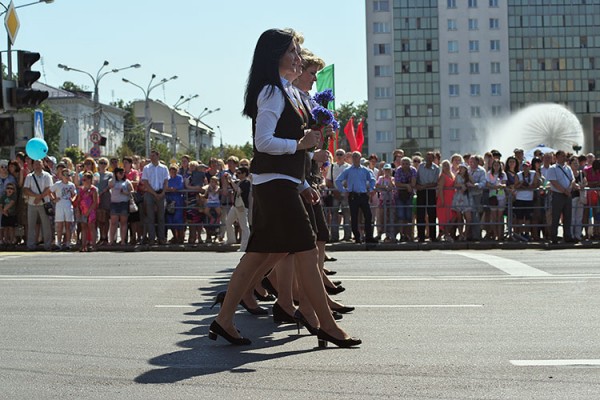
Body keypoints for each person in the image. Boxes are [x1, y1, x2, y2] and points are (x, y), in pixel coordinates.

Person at [210, 28, 359, 348]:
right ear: (275, 55)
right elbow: (263, 142)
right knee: (305, 250)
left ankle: (224, 319)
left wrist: (304, 181)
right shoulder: (272, 92)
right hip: (274, 185)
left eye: (298, 51)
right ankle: (325, 325)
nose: (298, 57)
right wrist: (300, 143)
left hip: (284, 184)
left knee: (260, 257)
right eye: (292, 51)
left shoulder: (288, 92)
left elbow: (293, 150)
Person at [335, 151, 377, 244]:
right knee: (354, 217)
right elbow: (338, 180)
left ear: (360, 158)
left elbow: (372, 179)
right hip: (353, 195)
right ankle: (357, 237)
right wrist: (343, 190)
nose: (355, 159)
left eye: (357, 157)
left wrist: (371, 188)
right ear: (352, 159)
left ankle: (369, 237)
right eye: (354, 157)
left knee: (368, 216)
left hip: (363, 195)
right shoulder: (348, 170)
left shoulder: (365, 170)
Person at [546, 150, 576, 244]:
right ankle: (554, 236)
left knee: (567, 216)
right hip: (558, 194)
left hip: (567, 194)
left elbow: (572, 179)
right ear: (557, 157)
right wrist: (564, 190)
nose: (564, 158)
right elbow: (553, 182)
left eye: (565, 156)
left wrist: (569, 189)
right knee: (556, 216)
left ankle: (567, 236)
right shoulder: (553, 168)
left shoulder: (568, 168)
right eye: (562, 156)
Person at [23, 159, 54, 251]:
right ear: (33, 165)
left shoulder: (47, 176)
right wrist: (36, 196)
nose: (37, 166)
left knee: (46, 224)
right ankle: (31, 245)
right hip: (32, 203)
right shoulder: (29, 176)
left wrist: (40, 197)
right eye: (35, 164)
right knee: (31, 225)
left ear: (42, 165)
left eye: (39, 164)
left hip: (44, 203)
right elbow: (26, 189)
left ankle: (47, 245)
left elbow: (49, 188)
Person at [142, 150, 169, 245]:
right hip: (150, 193)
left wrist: (162, 193)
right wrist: (154, 193)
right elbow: (145, 182)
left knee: (161, 217)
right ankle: (151, 238)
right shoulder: (146, 168)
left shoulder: (164, 168)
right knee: (150, 217)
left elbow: (166, 181)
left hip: (161, 192)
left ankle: (161, 238)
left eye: (154, 155)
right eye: (151, 156)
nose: (152, 157)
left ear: (158, 156)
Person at [326, 149, 352, 242]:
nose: (339, 156)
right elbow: (328, 181)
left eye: (341, 154)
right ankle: (334, 236)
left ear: (345, 156)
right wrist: (335, 190)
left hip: (345, 194)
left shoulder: (349, 167)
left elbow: (351, 180)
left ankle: (347, 236)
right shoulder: (332, 167)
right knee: (334, 216)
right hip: (335, 194)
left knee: (347, 215)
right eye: (337, 154)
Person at [49, 168, 77, 250]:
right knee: (59, 225)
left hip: (68, 205)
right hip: (59, 205)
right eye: (65, 175)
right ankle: (59, 243)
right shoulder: (58, 184)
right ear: (62, 175)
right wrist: (54, 199)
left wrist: (73, 199)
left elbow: (74, 194)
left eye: (68, 175)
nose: (67, 177)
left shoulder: (71, 185)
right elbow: (49, 191)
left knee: (68, 225)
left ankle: (68, 243)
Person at [225, 166, 251, 251]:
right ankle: (231, 240)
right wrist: (229, 180)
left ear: (244, 174)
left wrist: (231, 181)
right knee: (228, 222)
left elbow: (237, 190)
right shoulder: (239, 181)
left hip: (242, 207)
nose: (237, 174)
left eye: (239, 173)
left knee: (244, 227)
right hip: (235, 205)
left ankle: (245, 246)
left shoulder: (246, 182)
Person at [415, 151, 439, 242]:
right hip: (421, 192)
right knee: (420, 214)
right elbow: (417, 178)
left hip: (430, 191)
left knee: (432, 214)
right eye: (427, 158)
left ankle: (433, 236)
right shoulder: (421, 166)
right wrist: (419, 186)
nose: (428, 160)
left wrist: (424, 186)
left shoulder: (436, 168)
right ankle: (421, 236)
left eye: (430, 158)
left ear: (433, 159)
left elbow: (435, 182)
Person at [513, 161, 539, 241]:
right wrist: (522, 185)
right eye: (524, 166)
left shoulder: (533, 174)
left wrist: (526, 187)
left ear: (530, 167)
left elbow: (534, 184)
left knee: (528, 218)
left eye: (527, 166)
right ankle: (521, 233)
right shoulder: (519, 174)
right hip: (520, 198)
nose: (525, 168)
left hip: (529, 199)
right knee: (520, 217)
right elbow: (516, 186)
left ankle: (527, 233)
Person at [108, 167, 133, 245]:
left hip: (124, 203)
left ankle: (123, 240)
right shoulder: (112, 181)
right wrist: (113, 176)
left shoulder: (127, 182)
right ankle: (111, 240)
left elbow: (132, 191)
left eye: (123, 173)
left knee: (123, 222)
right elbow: (111, 185)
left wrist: (125, 192)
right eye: (120, 173)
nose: (122, 174)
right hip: (114, 203)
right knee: (113, 223)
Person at [394, 156, 416, 242]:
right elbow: (397, 183)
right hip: (399, 195)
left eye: (407, 163)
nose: (405, 165)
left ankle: (408, 234)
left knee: (409, 216)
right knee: (401, 216)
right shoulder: (398, 170)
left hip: (409, 196)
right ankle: (402, 234)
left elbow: (414, 183)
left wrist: (408, 185)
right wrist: (407, 185)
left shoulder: (413, 170)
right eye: (403, 163)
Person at [485, 159, 508, 241]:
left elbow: (505, 183)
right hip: (493, 195)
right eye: (495, 165)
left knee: (500, 216)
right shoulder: (489, 174)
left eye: (498, 165)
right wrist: (494, 187)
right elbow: (487, 184)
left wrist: (501, 185)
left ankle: (500, 234)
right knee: (494, 217)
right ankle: (495, 234)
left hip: (501, 195)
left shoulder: (502, 174)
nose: (496, 167)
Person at [77, 172, 99, 251]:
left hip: (91, 211)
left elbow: (95, 202)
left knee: (91, 227)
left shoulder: (93, 189)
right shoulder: (81, 189)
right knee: (83, 228)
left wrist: (89, 211)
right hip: (83, 210)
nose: (83, 181)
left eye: (85, 179)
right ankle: (83, 245)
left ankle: (93, 245)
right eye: (83, 179)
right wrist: (79, 211)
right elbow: (79, 200)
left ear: (90, 180)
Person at [451, 163, 472, 241]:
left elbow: (473, 183)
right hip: (459, 197)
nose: (461, 169)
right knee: (459, 218)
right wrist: (461, 185)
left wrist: (467, 185)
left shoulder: (468, 176)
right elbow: (455, 184)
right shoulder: (457, 175)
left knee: (468, 218)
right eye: (460, 168)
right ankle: (460, 234)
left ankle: (465, 234)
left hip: (466, 198)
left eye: (462, 168)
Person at [165, 165, 185, 244]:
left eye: (174, 171)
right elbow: (165, 187)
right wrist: (171, 189)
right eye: (171, 171)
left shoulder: (179, 177)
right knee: (170, 219)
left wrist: (171, 189)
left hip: (178, 200)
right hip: (169, 200)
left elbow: (180, 186)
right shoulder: (167, 178)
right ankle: (175, 237)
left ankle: (181, 237)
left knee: (178, 219)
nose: (173, 172)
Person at [96, 157, 113, 246]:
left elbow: (110, 185)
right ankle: (100, 236)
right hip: (97, 197)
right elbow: (93, 184)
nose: (102, 165)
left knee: (106, 217)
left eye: (104, 163)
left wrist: (103, 191)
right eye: (101, 163)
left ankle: (105, 237)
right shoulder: (96, 174)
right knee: (99, 218)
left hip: (106, 196)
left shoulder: (110, 174)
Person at [436, 160, 455, 242]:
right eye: (444, 165)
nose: (446, 167)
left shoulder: (452, 175)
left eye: (447, 165)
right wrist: (442, 201)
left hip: (451, 199)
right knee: (445, 219)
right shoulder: (443, 176)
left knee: (453, 217)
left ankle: (440, 235)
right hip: (444, 199)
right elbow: (440, 189)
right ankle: (446, 235)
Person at [376, 164, 395, 242]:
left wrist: (390, 180)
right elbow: (377, 185)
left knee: (390, 217)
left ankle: (389, 234)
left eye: (388, 170)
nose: (387, 172)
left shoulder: (393, 178)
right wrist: (384, 187)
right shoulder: (381, 178)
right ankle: (380, 233)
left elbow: (393, 186)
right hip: (382, 200)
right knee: (381, 217)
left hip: (390, 200)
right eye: (385, 170)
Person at [0, 182, 18, 248]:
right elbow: (0, 205)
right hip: (5, 215)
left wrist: (4, 210)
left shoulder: (14, 196)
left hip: (12, 214)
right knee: (5, 228)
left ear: (14, 190)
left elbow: (11, 203)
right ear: (5, 189)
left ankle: (12, 240)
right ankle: (6, 241)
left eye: (11, 188)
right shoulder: (3, 197)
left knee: (11, 228)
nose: (9, 190)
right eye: (8, 188)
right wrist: (3, 212)